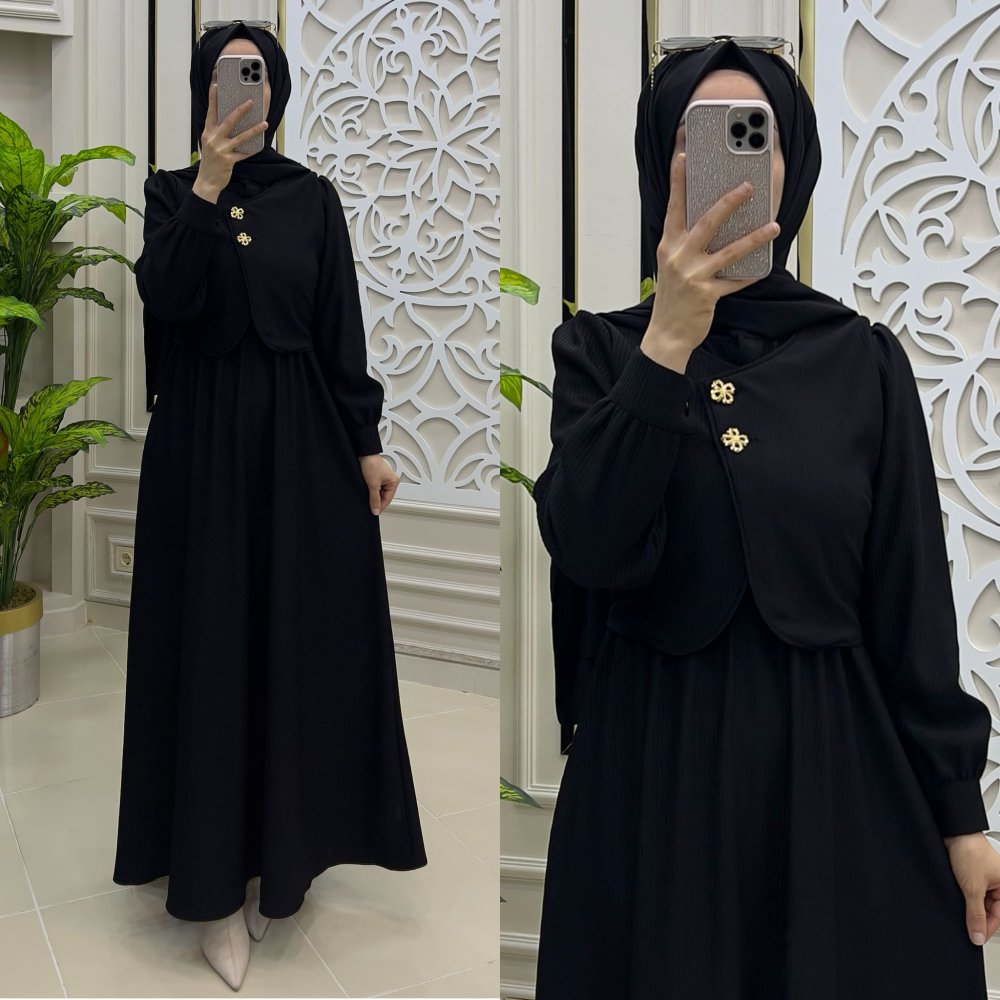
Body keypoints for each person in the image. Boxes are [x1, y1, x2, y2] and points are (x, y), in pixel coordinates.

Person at [532, 38, 1000, 999]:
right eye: (698, 137)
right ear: (660, 162)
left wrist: (961, 817)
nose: (731, 161)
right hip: (652, 769)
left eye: (756, 136)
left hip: (831, 774)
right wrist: (667, 342)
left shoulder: (861, 361)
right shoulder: (601, 354)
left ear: (794, 169)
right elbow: (586, 544)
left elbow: (911, 603)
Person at [112, 21, 427, 991]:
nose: (240, 89)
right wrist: (208, 183)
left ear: (275, 93)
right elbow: (166, 299)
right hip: (200, 453)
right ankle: (211, 886)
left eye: (253, 76)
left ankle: (274, 861)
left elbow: (339, 331)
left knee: (292, 648)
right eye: (224, 76)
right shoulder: (173, 194)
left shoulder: (312, 199)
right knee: (211, 650)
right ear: (204, 92)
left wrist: (367, 443)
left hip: (302, 452)